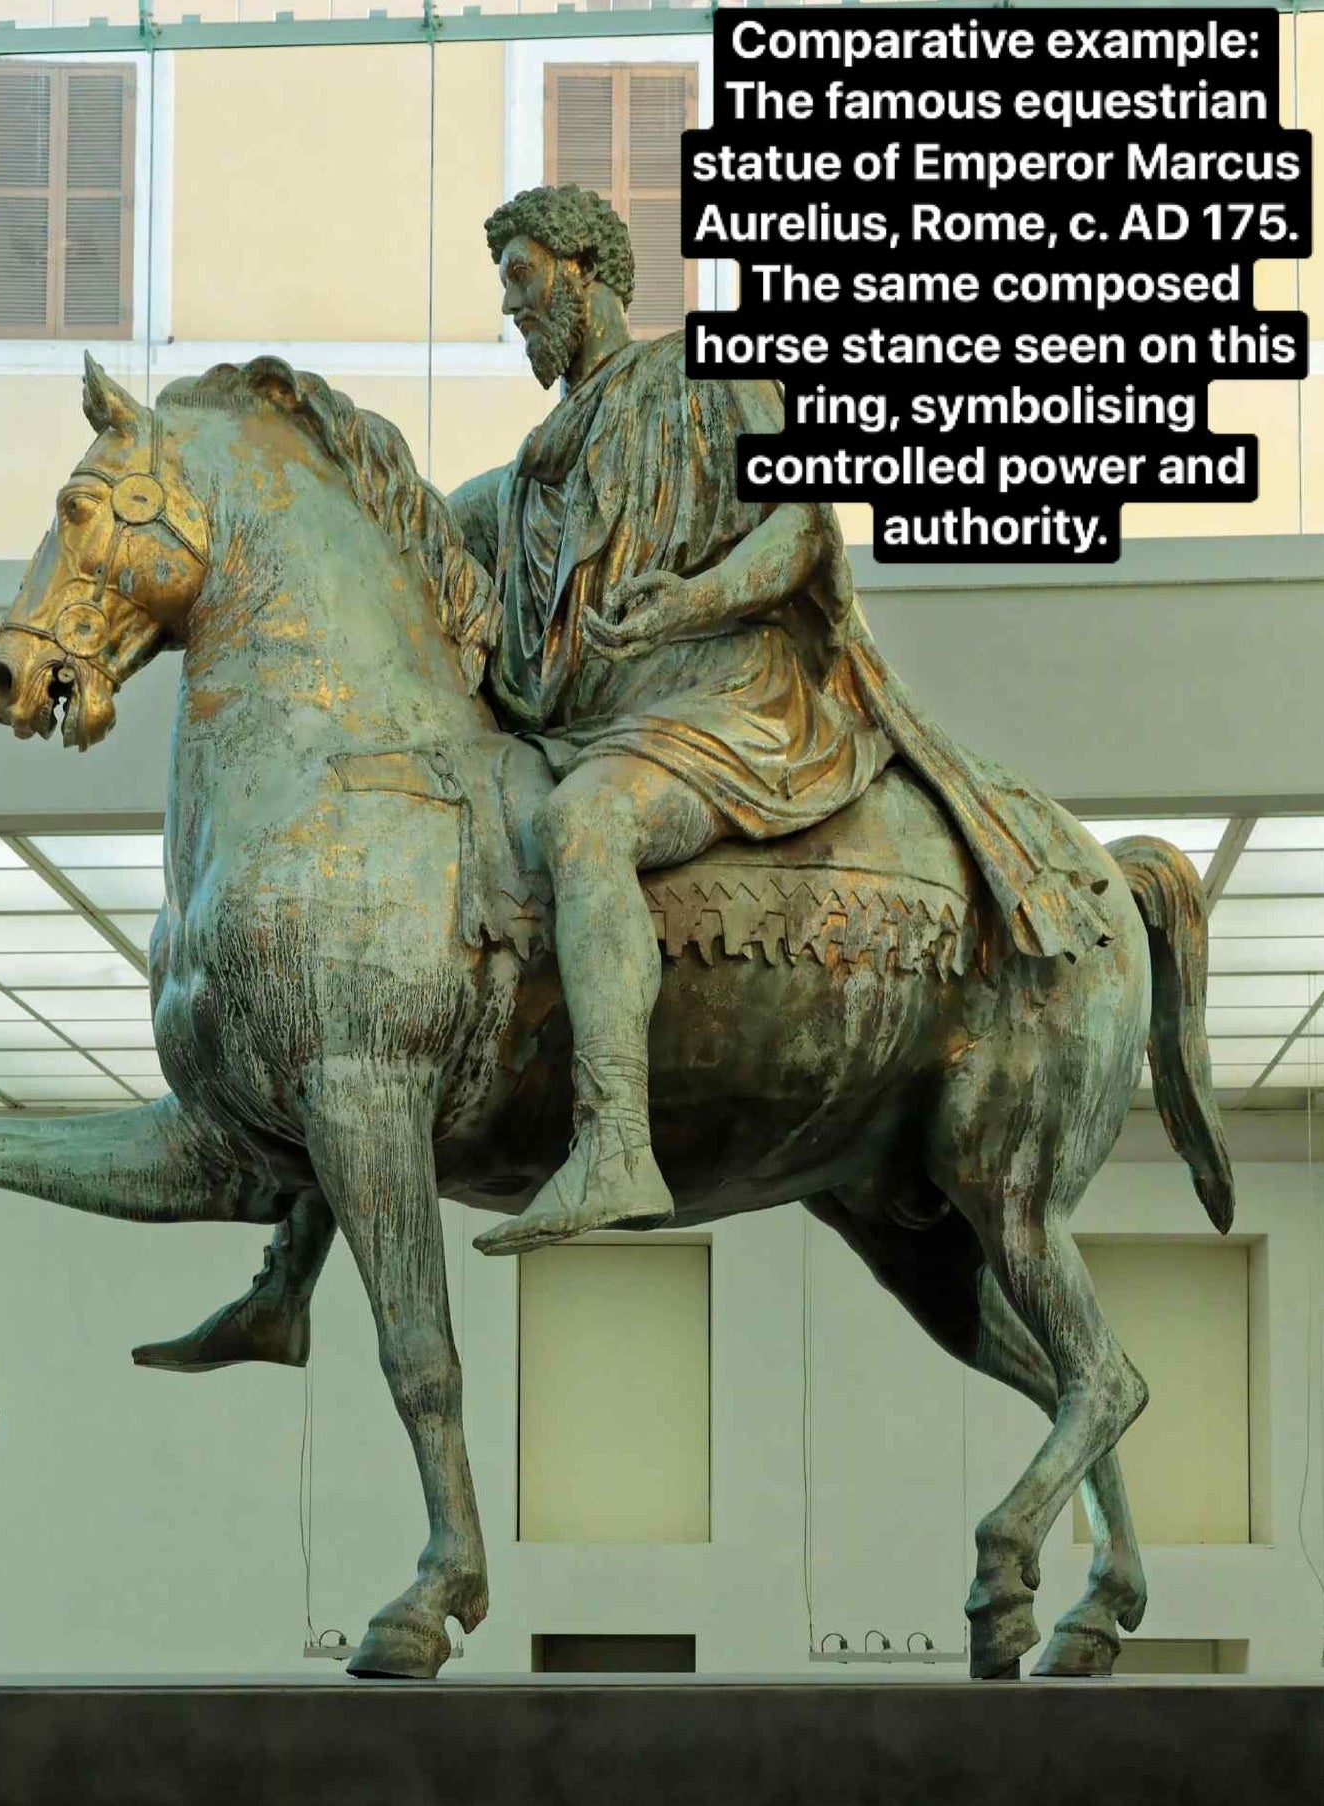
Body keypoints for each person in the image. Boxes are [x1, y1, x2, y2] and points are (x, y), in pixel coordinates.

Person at [132, 186, 1111, 1372]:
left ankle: (616, 1137)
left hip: (729, 702)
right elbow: (414, 576)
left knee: (588, 826)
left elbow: (802, 528)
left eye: (525, 283)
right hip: (593, 725)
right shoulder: (525, 480)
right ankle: (286, 1275)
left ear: (589, 273)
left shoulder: (699, 380)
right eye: (503, 293)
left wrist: (686, 603)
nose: (515, 314)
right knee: (369, 952)